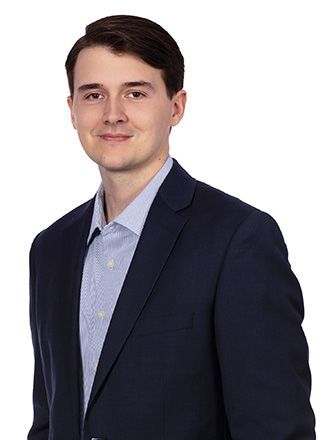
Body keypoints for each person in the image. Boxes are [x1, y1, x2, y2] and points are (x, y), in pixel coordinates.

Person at [28, 14, 316, 440]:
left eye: (136, 93)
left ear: (176, 107)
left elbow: (275, 430)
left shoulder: (239, 240)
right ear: (72, 110)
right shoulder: (50, 249)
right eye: (93, 95)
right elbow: (49, 422)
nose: (113, 114)